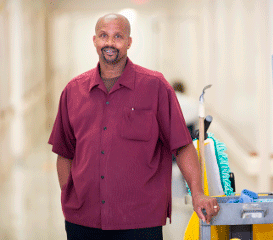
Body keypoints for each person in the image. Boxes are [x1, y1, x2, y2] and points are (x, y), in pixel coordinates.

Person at [48, 13, 219, 240]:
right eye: (103, 36)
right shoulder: (73, 91)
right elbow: (64, 152)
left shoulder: (155, 87)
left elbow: (182, 146)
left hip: (139, 221)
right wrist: (70, 196)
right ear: (95, 41)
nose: (110, 43)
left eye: (118, 36)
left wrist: (197, 194)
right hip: (83, 221)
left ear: (129, 41)